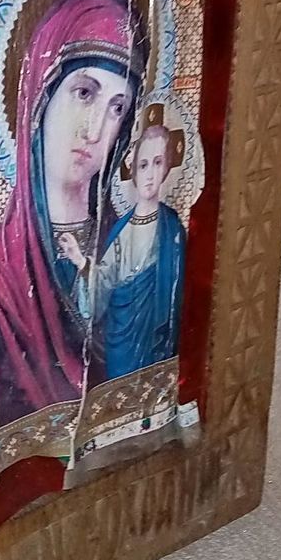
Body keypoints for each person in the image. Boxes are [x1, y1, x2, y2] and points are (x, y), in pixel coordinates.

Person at [0, 0, 148, 446]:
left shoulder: (133, 248)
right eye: (84, 93)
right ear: (40, 97)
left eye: (117, 108)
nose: (95, 129)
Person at [60, 103, 186, 381]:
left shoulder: (173, 229)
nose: (150, 173)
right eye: (143, 164)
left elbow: (180, 293)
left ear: (167, 168)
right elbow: (104, 285)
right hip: (122, 343)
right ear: (133, 170)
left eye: (158, 163)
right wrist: (81, 261)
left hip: (158, 343)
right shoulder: (122, 230)